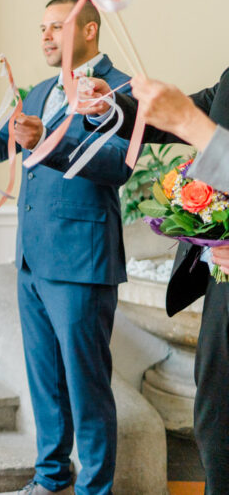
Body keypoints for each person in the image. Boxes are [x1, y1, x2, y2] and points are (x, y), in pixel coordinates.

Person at [0, 0, 132, 495]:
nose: (45, 36)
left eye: (57, 26)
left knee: (87, 387)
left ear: (89, 30)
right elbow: (4, 145)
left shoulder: (121, 90)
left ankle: (95, 489)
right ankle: (50, 479)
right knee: (44, 382)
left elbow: (116, 165)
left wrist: (49, 137)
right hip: (31, 258)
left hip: (83, 261)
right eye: (41, 27)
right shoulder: (41, 90)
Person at [77, 68, 229, 492]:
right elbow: (169, 116)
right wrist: (109, 107)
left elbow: (190, 121)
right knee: (218, 427)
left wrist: (190, 123)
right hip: (224, 290)